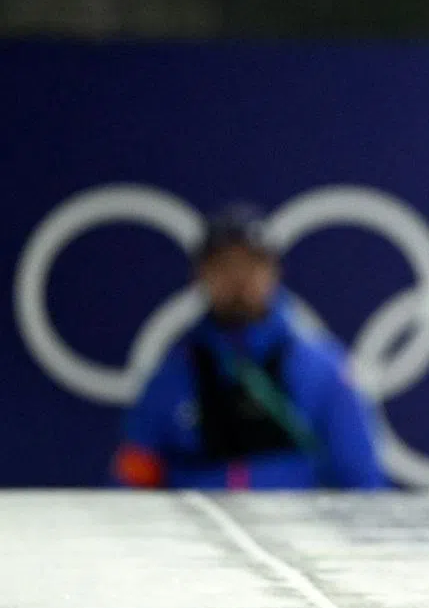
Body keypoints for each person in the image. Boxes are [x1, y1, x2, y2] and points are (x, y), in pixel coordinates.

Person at [113, 203, 389, 489]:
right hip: (198, 529)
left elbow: (361, 482)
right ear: (200, 275)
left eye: (251, 264)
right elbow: (131, 482)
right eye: (224, 265)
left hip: (300, 529)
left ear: (274, 272)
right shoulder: (170, 377)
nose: (238, 279)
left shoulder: (324, 371)